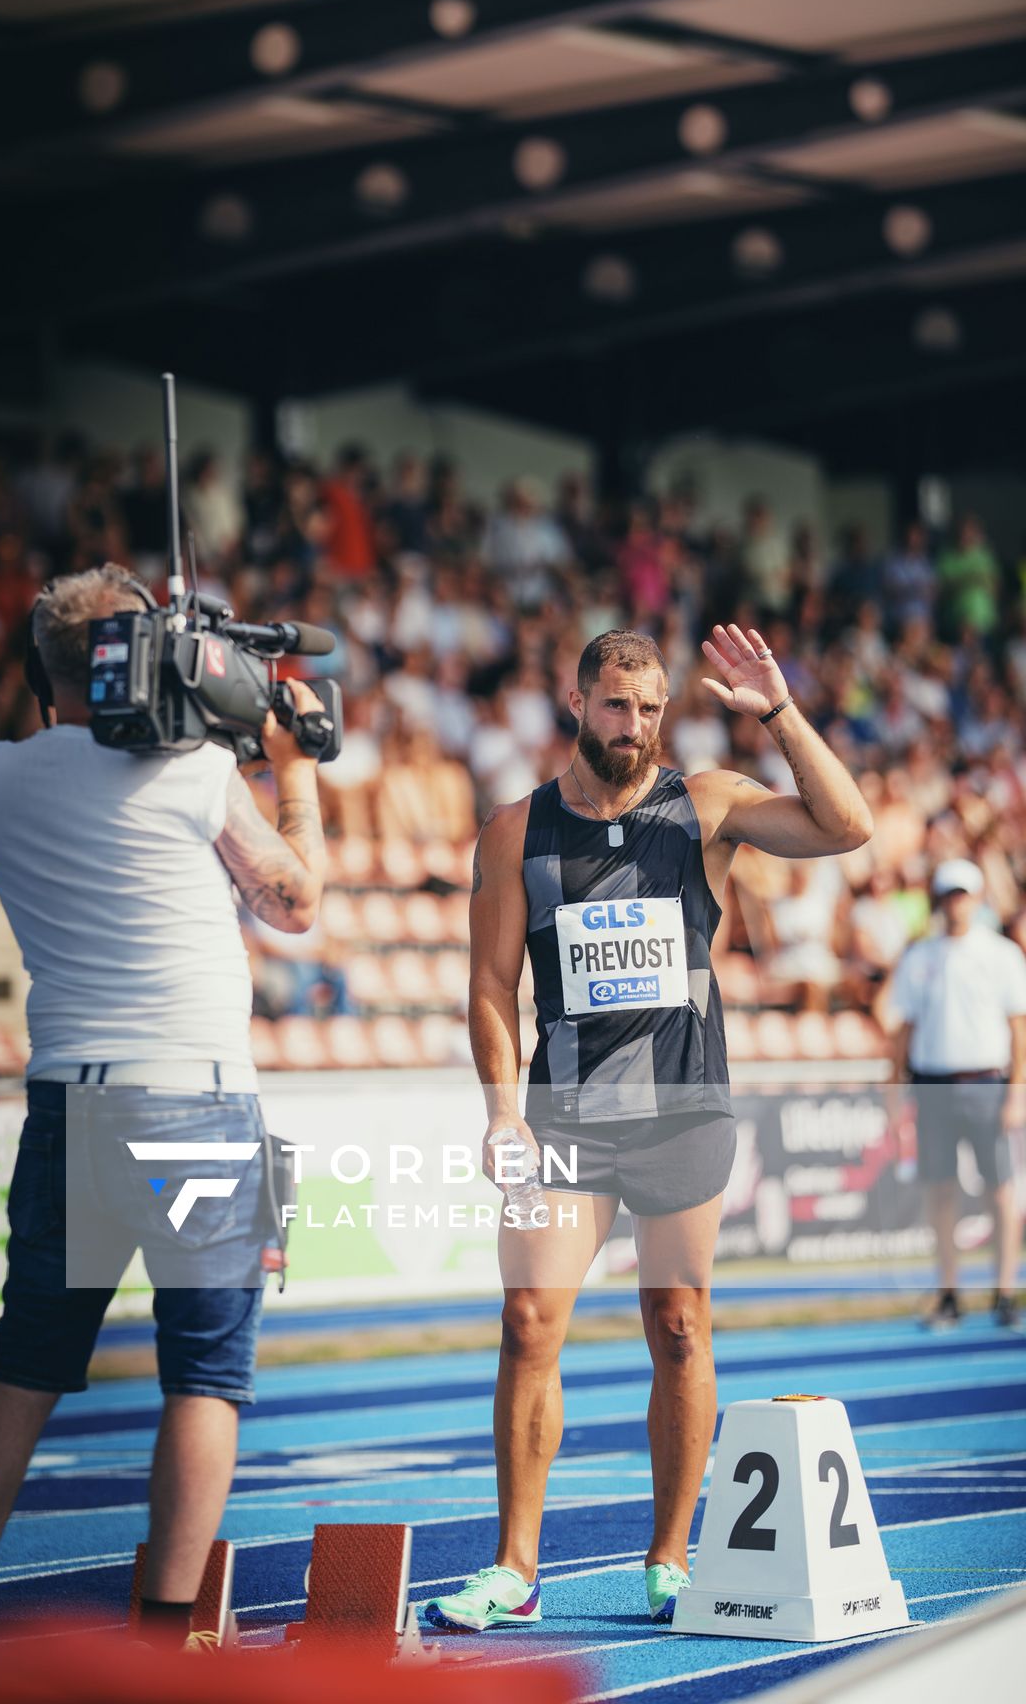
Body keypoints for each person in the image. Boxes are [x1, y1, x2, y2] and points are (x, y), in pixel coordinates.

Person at [0, 563, 328, 1668]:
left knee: (25, 1363)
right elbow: (295, 901)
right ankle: (168, 1633)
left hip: (68, 1096)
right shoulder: (191, 769)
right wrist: (290, 770)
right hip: (191, 1096)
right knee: (206, 1376)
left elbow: (65, 734)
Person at [427, 623, 872, 1633]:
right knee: (527, 1322)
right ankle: (513, 1569)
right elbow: (491, 985)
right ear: (576, 703)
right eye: (617, 705)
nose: (635, 726)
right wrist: (501, 1111)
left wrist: (779, 712)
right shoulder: (513, 829)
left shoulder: (704, 803)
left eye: (652, 707)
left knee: (677, 1328)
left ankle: (670, 1559)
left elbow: (847, 828)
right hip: (563, 1119)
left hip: (681, 1111)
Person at [888, 859, 1026, 1330]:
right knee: (940, 1191)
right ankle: (949, 1292)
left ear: (978, 896)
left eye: (963, 894)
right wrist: (894, 1094)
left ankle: (1005, 1291)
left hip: (987, 1081)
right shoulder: (920, 956)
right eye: (949, 894)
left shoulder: (1002, 954)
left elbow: (1018, 1028)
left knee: (999, 1190)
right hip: (933, 1085)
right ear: (940, 899)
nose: (957, 903)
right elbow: (903, 1031)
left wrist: (1017, 1092)